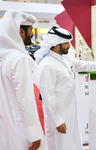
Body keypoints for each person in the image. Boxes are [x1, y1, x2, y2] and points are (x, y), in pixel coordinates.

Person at [34, 25, 96, 150]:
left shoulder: (63, 59)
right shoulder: (47, 65)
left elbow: (81, 65)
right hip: (59, 114)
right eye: (66, 43)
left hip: (70, 110)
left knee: (72, 142)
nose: (69, 46)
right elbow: (47, 97)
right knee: (60, 144)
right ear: (56, 44)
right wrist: (57, 120)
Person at [0, 9, 48, 150]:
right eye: (31, 30)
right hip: (22, 131)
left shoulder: (4, 58)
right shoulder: (19, 59)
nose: (33, 34)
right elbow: (25, 99)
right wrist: (34, 134)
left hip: (6, 127)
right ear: (21, 32)